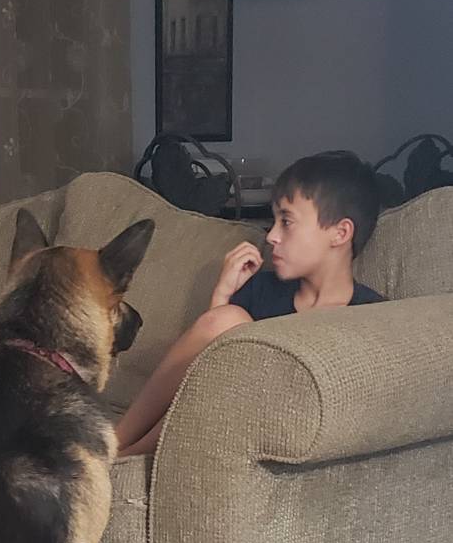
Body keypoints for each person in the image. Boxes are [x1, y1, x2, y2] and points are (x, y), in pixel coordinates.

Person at [116, 150, 385, 457]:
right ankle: (118, 443)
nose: (271, 236)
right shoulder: (259, 292)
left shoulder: (372, 315)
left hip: (287, 425)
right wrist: (222, 295)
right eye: (273, 221)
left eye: (287, 222)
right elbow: (202, 377)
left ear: (340, 232)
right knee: (227, 320)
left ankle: (123, 454)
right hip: (219, 418)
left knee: (228, 320)